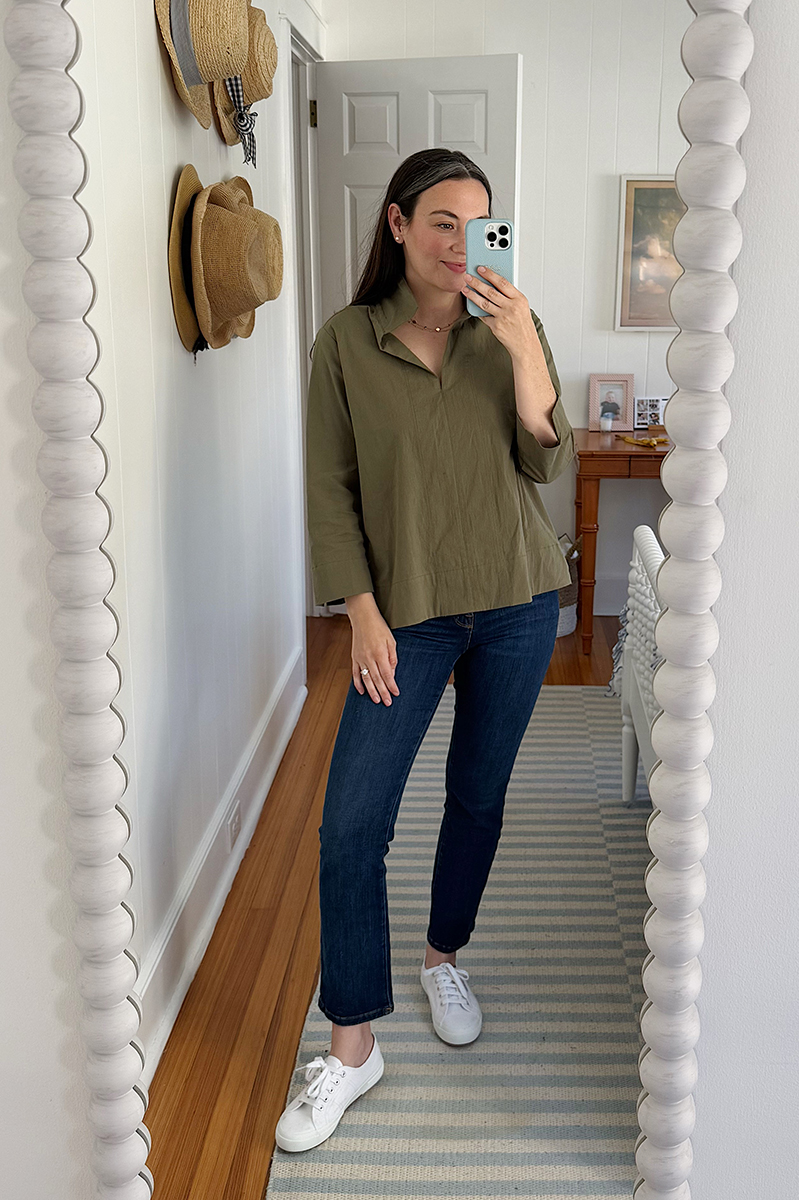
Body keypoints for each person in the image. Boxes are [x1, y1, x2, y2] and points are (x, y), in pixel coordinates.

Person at [275, 148, 575, 1153]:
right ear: (397, 225)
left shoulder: (509, 332)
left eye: (477, 223)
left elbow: (545, 450)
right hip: (400, 615)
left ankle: (444, 954)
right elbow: (329, 490)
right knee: (351, 824)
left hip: (520, 601)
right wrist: (357, 611)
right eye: (441, 220)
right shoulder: (346, 343)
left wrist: (524, 343)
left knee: (477, 797)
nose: (460, 242)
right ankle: (353, 1045)